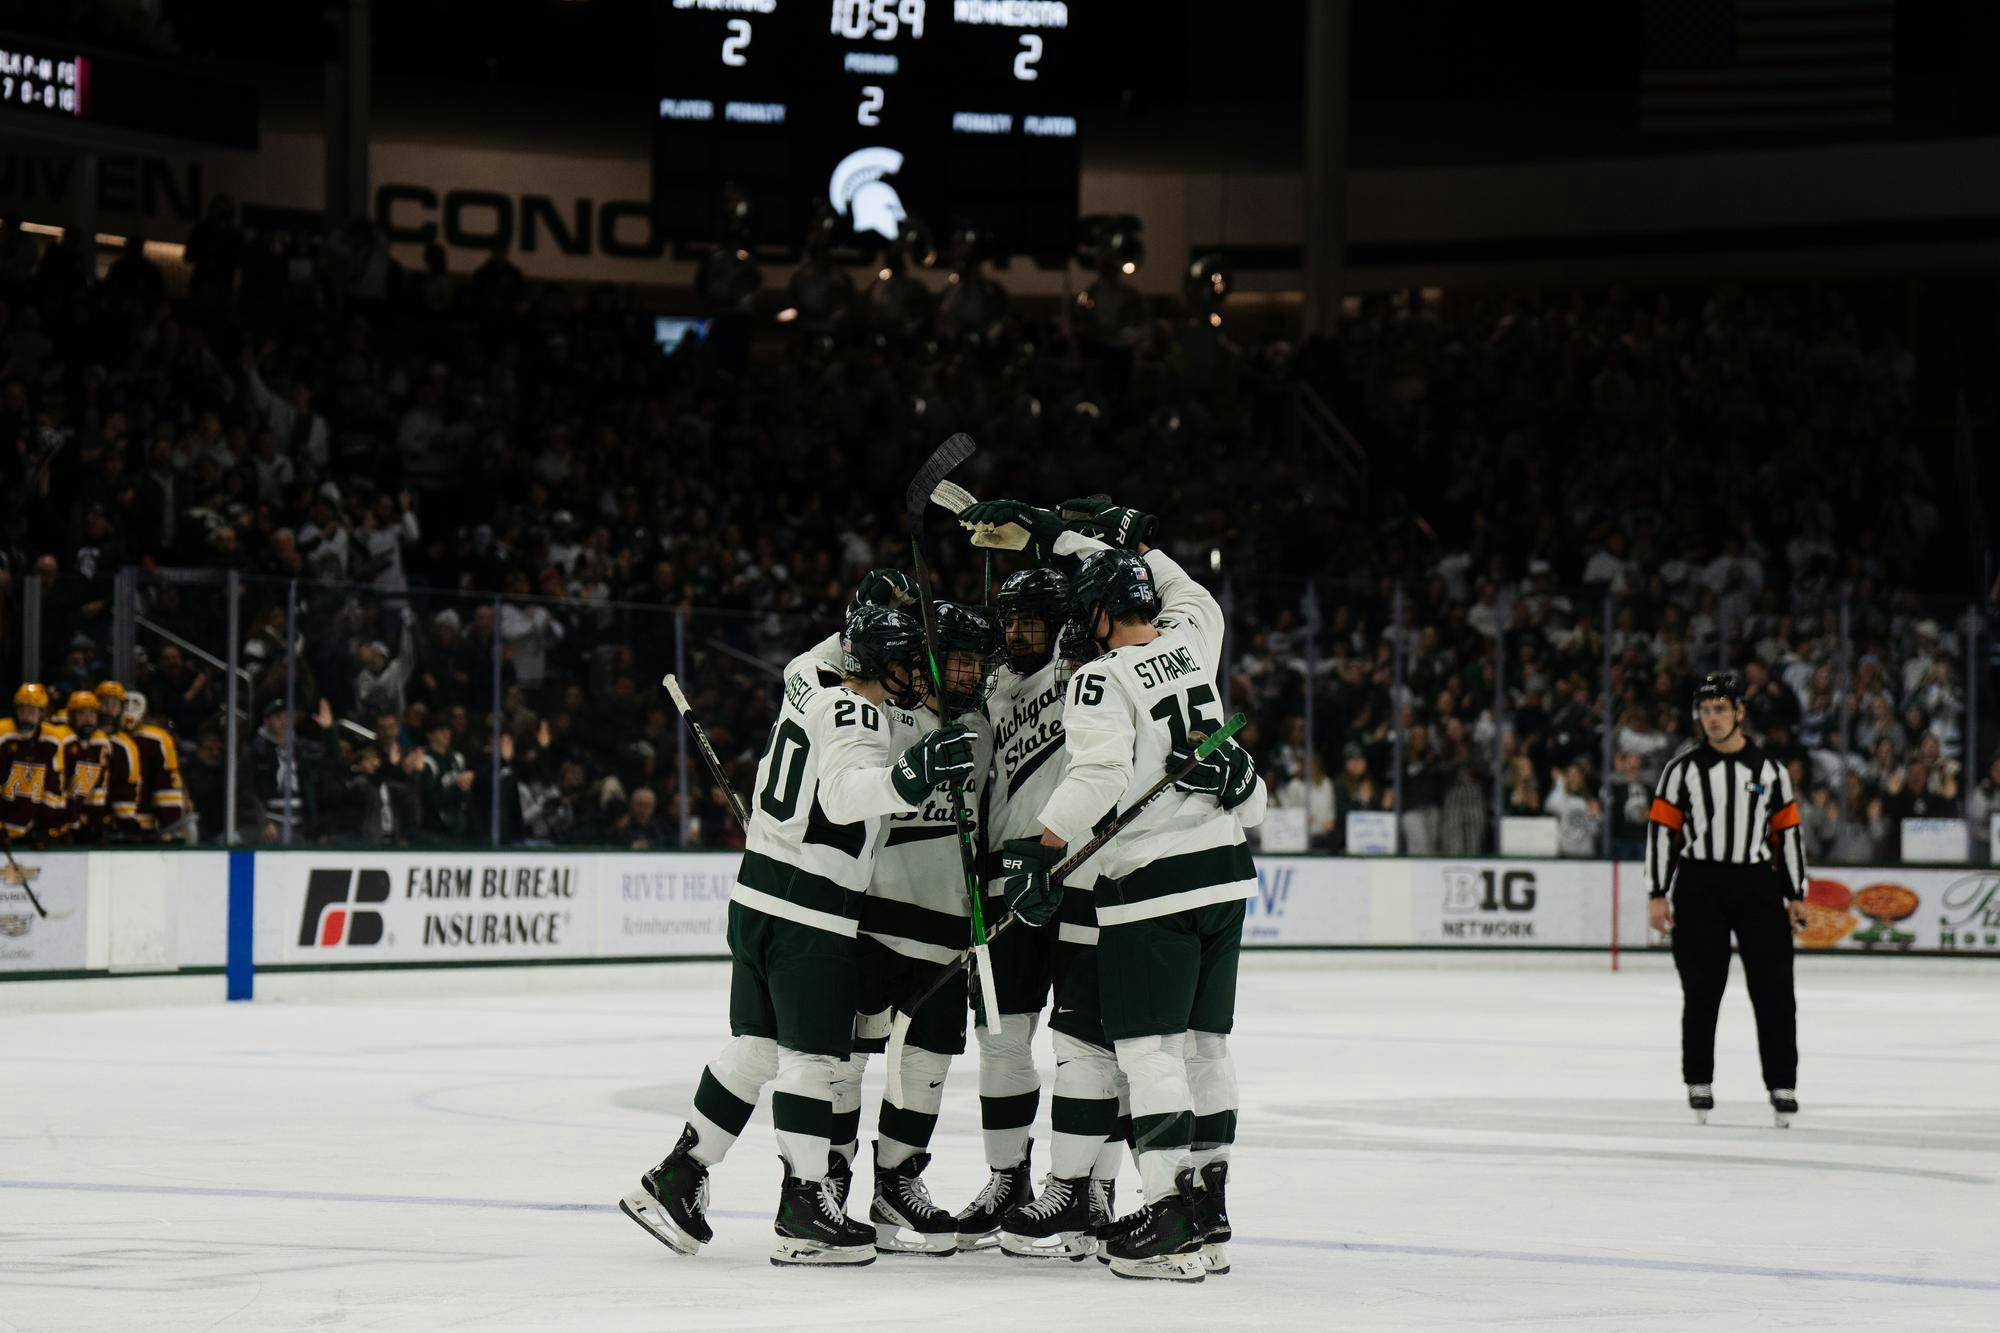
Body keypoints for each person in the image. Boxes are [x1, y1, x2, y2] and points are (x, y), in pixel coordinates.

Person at [618, 605, 977, 1268]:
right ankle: (803, 1209)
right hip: (810, 911)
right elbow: (844, 796)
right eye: (900, 662)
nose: (910, 675)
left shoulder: (806, 679)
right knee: (813, 1059)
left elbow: (815, 670)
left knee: (755, 1048)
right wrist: (910, 775)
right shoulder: (862, 711)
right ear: (875, 665)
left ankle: (678, 1174)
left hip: (756, 895)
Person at [971, 495, 1265, 1283]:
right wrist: (1126, 545)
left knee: (1146, 1050)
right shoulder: (1192, 645)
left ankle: (1165, 1210)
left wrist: (1044, 846)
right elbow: (1194, 596)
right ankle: (1207, 1210)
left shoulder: (1100, 679)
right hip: (1225, 870)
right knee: (1207, 1048)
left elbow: (1098, 772)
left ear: (1100, 614)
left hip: (1154, 885)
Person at [954, 566, 1122, 1252]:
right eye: (1012, 617)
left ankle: (1092, 1187)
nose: (1021, 629)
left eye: (1035, 617)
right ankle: (1007, 1179)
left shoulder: (1079, 666)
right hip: (1004, 878)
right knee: (1002, 1038)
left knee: (1090, 1042)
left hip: (1080, 873)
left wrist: (1036, 536)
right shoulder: (991, 684)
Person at [1645, 671, 1809, 1128]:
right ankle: (1699, 1079)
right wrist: (1657, 893)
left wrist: (1796, 893)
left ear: (1740, 713)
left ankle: (1782, 1083)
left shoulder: (1771, 771)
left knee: (1774, 988)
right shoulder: (1681, 771)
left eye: (1721, 709)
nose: (1712, 718)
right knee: (1701, 987)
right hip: (1699, 884)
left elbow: (1788, 834)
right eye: (1705, 710)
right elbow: (1663, 834)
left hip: (1756, 885)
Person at [0, 684, 69, 843]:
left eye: (32, 711)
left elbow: (54, 787)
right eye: (22, 710)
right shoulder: (2, 733)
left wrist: (44, 826)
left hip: (29, 828)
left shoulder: (52, 740)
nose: (26, 716)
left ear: (41, 713)